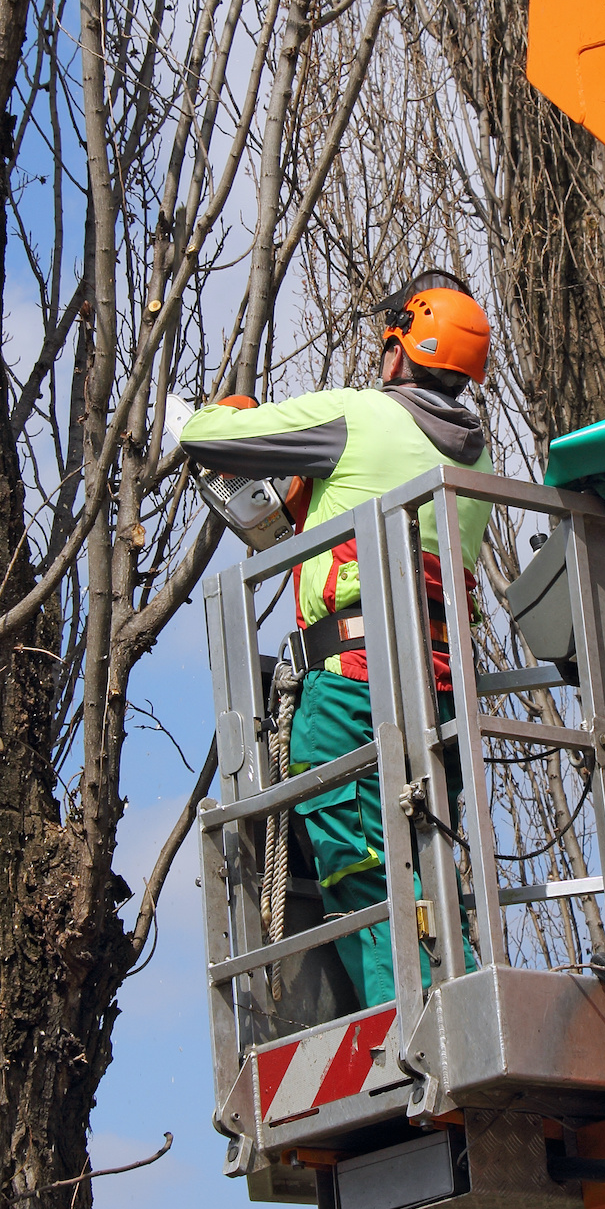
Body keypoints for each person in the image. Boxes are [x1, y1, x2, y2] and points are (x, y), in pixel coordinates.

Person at [179, 271, 496, 1008]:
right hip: (442, 687)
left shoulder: (360, 416)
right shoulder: (477, 457)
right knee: (428, 853)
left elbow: (205, 435)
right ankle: (471, 995)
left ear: (400, 353)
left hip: (353, 677)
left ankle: (415, 1020)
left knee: (357, 852)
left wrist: (231, 416)